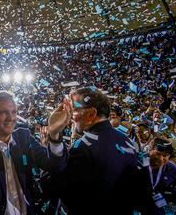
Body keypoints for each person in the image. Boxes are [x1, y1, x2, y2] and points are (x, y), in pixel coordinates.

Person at [53, 87, 148, 215]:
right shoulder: (129, 142)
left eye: (75, 110)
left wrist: (53, 135)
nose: (72, 117)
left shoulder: (84, 146)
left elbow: (57, 189)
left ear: (92, 114)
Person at [143, 137, 176, 215]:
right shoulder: (139, 165)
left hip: (162, 209)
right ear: (150, 150)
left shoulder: (175, 170)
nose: (161, 158)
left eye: (165, 155)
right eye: (158, 154)